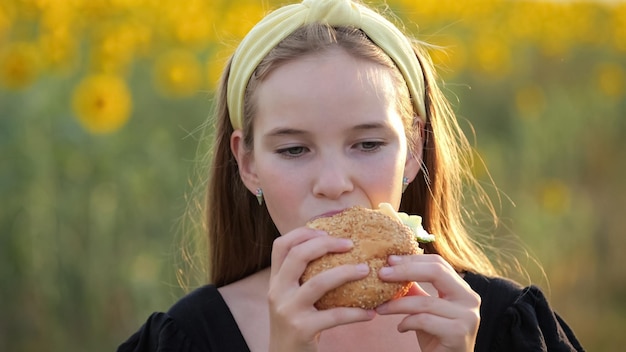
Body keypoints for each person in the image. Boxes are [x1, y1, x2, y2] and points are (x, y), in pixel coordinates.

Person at [118, 0, 584, 351]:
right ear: (249, 163)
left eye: (367, 144)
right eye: (294, 148)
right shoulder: (188, 337)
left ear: (413, 150)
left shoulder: (505, 325)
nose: (334, 182)